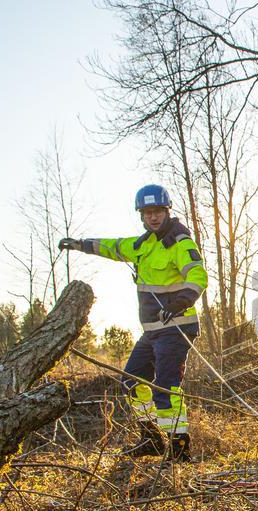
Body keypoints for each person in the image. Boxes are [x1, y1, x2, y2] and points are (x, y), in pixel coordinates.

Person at [59, 184, 208, 462]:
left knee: (165, 388)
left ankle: (179, 449)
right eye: (148, 212)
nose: (153, 217)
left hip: (176, 329)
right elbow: (112, 246)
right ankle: (151, 439)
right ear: (141, 215)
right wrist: (79, 244)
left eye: (158, 212)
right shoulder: (141, 245)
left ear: (167, 211)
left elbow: (198, 275)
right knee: (131, 381)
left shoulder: (179, 241)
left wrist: (181, 301)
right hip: (152, 332)